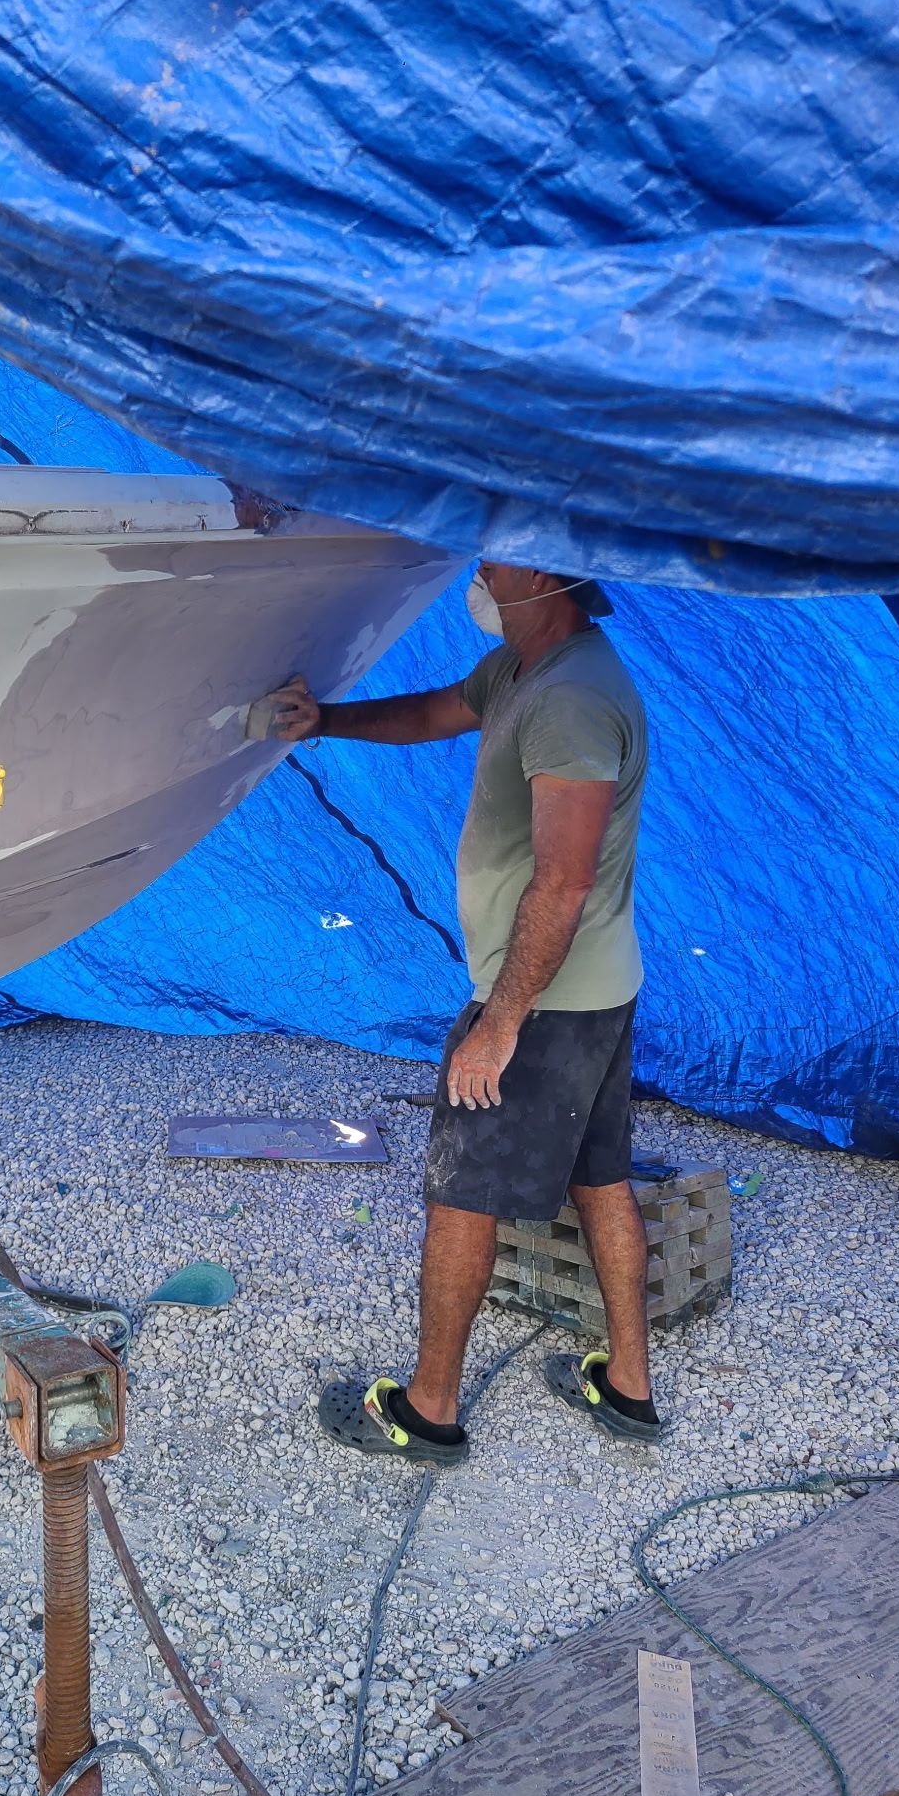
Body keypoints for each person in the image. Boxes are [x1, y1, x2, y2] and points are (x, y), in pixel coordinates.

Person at [267, 562, 660, 1461]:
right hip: (592, 988)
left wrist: (500, 1022)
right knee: (601, 1180)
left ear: (547, 579)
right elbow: (434, 711)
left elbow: (561, 884)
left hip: (546, 1001)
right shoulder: (522, 671)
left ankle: (428, 1411)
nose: (477, 579)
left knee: (459, 1198)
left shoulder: (572, 701)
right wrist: (326, 720)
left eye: (494, 568)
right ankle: (628, 1386)